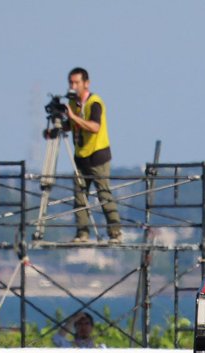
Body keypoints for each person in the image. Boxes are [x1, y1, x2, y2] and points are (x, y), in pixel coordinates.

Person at [66, 67, 122, 244]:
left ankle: (115, 232)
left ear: (86, 83)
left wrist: (72, 118)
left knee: (104, 195)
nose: (73, 86)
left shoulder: (94, 103)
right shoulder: (74, 105)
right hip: (80, 156)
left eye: (76, 82)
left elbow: (94, 126)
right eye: (71, 82)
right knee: (79, 196)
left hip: (98, 155)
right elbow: (72, 125)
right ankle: (82, 233)